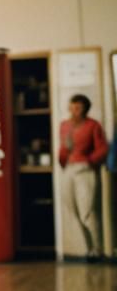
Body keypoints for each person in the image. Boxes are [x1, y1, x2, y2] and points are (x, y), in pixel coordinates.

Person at [58, 93, 108, 259]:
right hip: (69, 170)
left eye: (77, 108)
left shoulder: (93, 125)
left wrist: (89, 161)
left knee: (87, 212)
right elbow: (63, 148)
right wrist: (62, 160)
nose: (74, 111)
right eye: (72, 107)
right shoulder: (64, 126)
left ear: (85, 109)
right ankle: (86, 249)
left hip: (84, 170)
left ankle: (97, 249)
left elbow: (102, 149)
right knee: (71, 210)